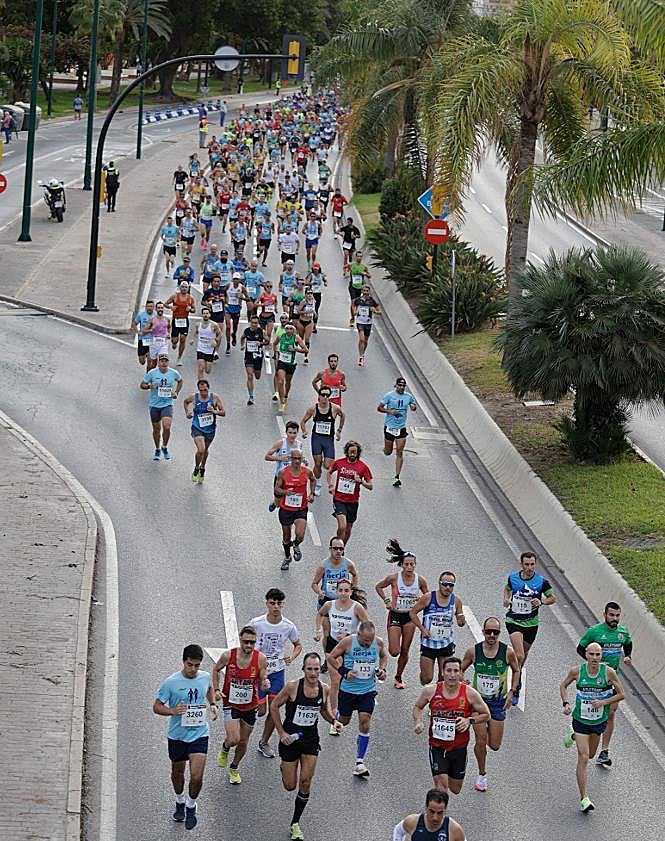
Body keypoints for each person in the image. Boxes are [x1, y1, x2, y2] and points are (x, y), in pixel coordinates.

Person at [270, 652, 342, 841]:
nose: (313, 673)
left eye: (316, 669)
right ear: (303, 669)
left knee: (305, 783)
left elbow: (324, 711)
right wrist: (281, 733)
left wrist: (334, 721)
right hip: (290, 741)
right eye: (309, 669)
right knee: (289, 785)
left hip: (310, 740)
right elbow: (274, 706)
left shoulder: (324, 689)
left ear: (320, 670)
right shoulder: (293, 687)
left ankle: (295, 823)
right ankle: (284, 766)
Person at [153, 644, 217, 830]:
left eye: (197, 665)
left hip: (199, 733)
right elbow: (156, 706)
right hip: (178, 736)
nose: (193, 669)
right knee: (177, 774)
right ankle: (179, 800)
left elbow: (209, 688)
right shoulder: (171, 683)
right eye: (190, 665)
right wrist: (172, 711)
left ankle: (191, 805)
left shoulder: (204, 677)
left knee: (197, 776)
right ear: (183, 661)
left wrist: (212, 703)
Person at [560, 642, 625, 813]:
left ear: (601, 656)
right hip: (580, 720)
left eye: (598, 655)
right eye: (592, 654)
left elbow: (622, 694)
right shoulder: (577, 671)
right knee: (583, 756)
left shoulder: (608, 673)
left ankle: (573, 736)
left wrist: (604, 702)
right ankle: (584, 798)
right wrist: (566, 703)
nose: (595, 658)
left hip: (598, 721)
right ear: (586, 655)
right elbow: (563, 685)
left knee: (591, 754)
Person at [413, 657, 490, 795]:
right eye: (449, 670)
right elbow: (418, 707)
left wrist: (469, 721)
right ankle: (438, 812)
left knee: (455, 789)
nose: (452, 675)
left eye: (456, 671)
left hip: (458, 748)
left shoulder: (470, 693)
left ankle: (446, 772)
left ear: (461, 673)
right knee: (441, 787)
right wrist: (418, 721)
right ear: (442, 672)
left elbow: (486, 714)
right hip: (437, 746)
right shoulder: (430, 691)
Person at [460, 617, 520, 792]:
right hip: (478, 703)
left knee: (494, 745)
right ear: (483, 632)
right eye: (488, 632)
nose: (492, 635)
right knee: (480, 741)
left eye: (496, 632)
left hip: (497, 703)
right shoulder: (474, 652)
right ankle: (482, 774)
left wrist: (512, 692)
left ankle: (485, 735)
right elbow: (461, 669)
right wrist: (464, 683)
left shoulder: (507, 652)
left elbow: (516, 670)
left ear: (499, 634)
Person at [327, 621, 387, 777]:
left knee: (365, 721)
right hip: (348, 690)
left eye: (370, 640)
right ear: (358, 635)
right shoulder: (348, 642)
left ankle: (359, 762)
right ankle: (334, 719)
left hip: (368, 691)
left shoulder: (378, 642)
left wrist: (382, 670)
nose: (368, 643)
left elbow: (384, 656)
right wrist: (344, 671)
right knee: (343, 721)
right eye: (365, 640)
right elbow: (331, 657)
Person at [577, 601, 632, 767]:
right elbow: (580, 648)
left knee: (611, 713)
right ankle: (578, 730)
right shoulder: (594, 631)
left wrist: (628, 655)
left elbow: (628, 644)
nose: (614, 619)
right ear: (605, 615)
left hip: (612, 678)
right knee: (593, 709)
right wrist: (594, 664)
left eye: (617, 615)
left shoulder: (622, 632)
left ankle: (604, 751)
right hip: (594, 678)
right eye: (611, 615)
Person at [212, 626, 270, 785]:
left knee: (243, 741)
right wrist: (216, 690)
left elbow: (263, 676)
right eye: (246, 642)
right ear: (240, 640)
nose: (249, 646)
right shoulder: (228, 656)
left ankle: (234, 767)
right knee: (234, 738)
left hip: (250, 706)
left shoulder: (260, 659)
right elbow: (216, 670)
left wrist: (265, 683)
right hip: (231, 704)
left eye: (252, 642)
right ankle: (225, 747)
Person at [250, 589, 303, 759]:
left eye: (279, 604)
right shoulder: (256, 623)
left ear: (283, 605)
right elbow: (245, 642)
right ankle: (243, 726)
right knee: (260, 710)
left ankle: (263, 742)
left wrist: (292, 657)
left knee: (274, 710)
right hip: (258, 673)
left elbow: (298, 645)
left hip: (277, 672)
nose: (276, 607)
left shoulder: (288, 626)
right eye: (272, 603)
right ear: (267, 603)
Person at [503, 550, 556, 706]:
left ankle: (517, 681)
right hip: (514, 620)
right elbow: (507, 589)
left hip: (531, 624)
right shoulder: (513, 578)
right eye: (526, 564)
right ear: (521, 564)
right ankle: (513, 687)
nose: (529, 567)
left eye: (532, 564)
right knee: (518, 655)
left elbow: (553, 597)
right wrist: (506, 599)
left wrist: (542, 602)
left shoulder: (541, 582)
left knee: (523, 656)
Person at [374, 539, 428, 689]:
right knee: (394, 651)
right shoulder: (394, 578)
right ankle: (383, 655)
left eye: (412, 564)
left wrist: (420, 600)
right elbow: (378, 587)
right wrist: (386, 600)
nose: (409, 567)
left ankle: (398, 676)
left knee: (405, 650)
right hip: (396, 615)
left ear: (415, 565)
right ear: (402, 565)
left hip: (410, 617)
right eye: (407, 564)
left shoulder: (420, 580)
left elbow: (428, 597)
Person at [315, 578, 368, 723]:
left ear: (351, 592)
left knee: (351, 678)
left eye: (346, 590)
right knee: (336, 680)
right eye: (340, 590)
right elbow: (319, 614)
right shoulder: (329, 605)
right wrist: (319, 630)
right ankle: (335, 717)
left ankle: (358, 701)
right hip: (333, 646)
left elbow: (367, 627)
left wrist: (350, 635)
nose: (343, 593)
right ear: (336, 591)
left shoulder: (357, 607)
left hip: (351, 646)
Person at [409, 572, 466, 685]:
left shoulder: (456, 601)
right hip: (429, 644)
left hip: (446, 644)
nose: (447, 587)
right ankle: (423, 676)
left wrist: (461, 620)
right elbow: (413, 613)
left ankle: (439, 700)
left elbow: (460, 622)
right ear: (439, 584)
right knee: (427, 678)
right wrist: (422, 629)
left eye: (451, 585)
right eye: (445, 584)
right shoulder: (428, 597)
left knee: (444, 677)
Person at [275, 450, 316, 570]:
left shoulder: (307, 472)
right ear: (291, 459)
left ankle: (296, 545)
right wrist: (285, 492)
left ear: (302, 459)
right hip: (286, 509)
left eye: (299, 458)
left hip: (300, 509)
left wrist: (312, 494)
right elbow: (277, 489)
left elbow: (313, 480)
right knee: (286, 537)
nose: (297, 461)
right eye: (295, 459)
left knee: (300, 534)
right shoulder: (283, 473)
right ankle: (287, 557)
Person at [300, 386, 345, 496]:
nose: (325, 397)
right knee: (318, 463)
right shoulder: (313, 409)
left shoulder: (335, 408)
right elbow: (303, 421)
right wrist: (304, 431)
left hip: (328, 439)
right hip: (317, 438)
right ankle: (318, 483)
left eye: (327, 395)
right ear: (319, 396)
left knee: (327, 465)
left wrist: (339, 430)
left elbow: (343, 416)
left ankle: (321, 475)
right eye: (323, 395)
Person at [327, 441, 373, 545]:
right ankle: (337, 546)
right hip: (339, 499)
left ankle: (342, 547)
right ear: (346, 452)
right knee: (342, 526)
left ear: (358, 453)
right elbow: (329, 472)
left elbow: (371, 486)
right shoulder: (339, 463)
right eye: (350, 452)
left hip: (353, 502)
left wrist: (361, 481)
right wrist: (331, 485)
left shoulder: (363, 467)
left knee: (348, 529)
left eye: (355, 452)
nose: (352, 454)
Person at [139, 352, 182, 460]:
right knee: (156, 429)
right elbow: (142, 385)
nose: (163, 363)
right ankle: (157, 449)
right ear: (158, 362)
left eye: (165, 361)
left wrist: (176, 392)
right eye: (161, 361)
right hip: (154, 405)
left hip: (167, 404)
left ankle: (164, 446)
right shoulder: (152, 373)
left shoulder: (173, 373)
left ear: (168, 362)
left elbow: (180, 381)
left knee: (167, 426)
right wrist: (149, 385)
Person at [183, 379, 225, 483]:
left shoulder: (215, 398)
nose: (203, 392)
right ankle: (196, 468)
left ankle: (202, 468)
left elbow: (223, 412)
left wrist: (214, 411)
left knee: (205, 450)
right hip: (197, 427)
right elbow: (185, 402)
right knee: (201, 450)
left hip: (210, 429)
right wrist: (187, 412)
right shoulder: (194, 397)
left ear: (208, 388)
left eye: (205, 390)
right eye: (201, 390)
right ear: (198, 390)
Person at [378, 376, 418, 487]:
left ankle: (397, 477)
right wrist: (389, 411)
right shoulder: (389, 396)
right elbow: (379, 408)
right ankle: (386, 449)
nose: (401, 387)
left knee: (400, 452)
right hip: (390, 427)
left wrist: (413, 407)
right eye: (399, 385)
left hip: (401, 428)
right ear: (395, 385)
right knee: (388, 452)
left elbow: (413, 405)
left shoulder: (408, 396)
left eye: (403, 386)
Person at [392, 789, 466, 841]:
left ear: (445, 808)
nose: (435, 818)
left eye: (440, 813)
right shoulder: (413, 822)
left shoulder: (454, 830)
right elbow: (398, 830)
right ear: (426, 806)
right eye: (432, 811)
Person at [274, 322, 308, 414]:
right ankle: (282, 401)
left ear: (293, 330)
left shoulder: (296, 338)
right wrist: (276, 354)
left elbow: (306, 350)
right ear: (285, 329)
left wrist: (295, 349)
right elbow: (274, 344)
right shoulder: (281, 336)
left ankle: (286, 395)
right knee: (280, 381)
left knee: (288, 382)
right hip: (282, 362)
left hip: (291, 363)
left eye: (291, 329)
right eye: (287, 329)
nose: (289, 331)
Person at [165, 281, 196, 366]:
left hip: (184, 321)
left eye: (186, 287)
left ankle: (179, 358)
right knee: (174, 340)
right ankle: (174, 343)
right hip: (176, 320)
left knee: (183, 339)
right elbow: (165, 304)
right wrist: (171, 307)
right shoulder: (175, 296)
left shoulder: (190, 298)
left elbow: (194, 310)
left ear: (188, 288)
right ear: (180, 287)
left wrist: (190, 309)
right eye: (182, 287)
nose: (184, 288)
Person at [240, 313, 268, 405]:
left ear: (258, 323)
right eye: (252, 323)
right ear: (250, 323)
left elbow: (267, 341)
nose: (254, 324)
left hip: (258, 356)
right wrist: (242, 345)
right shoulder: (246, 331)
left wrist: (261, 343)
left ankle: (258, 371)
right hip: (248, 356)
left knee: (257, 376)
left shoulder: (261, 331)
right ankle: (251, 397)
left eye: (256, 323)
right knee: (249, 376)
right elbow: (242, 338)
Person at [352, 285, 382, 366]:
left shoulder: (372, 301)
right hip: (360, 322)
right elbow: (353, 304)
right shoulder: (358, 300)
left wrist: (375, 311)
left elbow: (380, 311)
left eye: (367, 291)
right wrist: (354, 312)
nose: (365, 292)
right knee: (361, 339)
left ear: (369, 292)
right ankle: (361, 357)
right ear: (362, 291)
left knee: (365, 341)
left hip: (368, 323)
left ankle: (362, 354)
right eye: (364, 291)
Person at [190, 305, 223, 377]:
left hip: (210, 349)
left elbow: (220, 334)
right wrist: (192, 339)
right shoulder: (198, 324)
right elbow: (196, 332)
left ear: (210, 315)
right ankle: (200, 384)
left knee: (207, 371)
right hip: (200, 348)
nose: (205, 315)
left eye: (207, 313)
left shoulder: (214, 325)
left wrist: (216, 341)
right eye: (204, 313)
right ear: (202, 315)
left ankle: (206, 362)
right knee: (200, 368)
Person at [346, 249, 370, 323]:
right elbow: (345, 267)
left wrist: (365, 274)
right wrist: (346, 273)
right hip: (352, 286)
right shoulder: (351, 265)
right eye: (358, 256)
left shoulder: (364, 267)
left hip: (360, 288)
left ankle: (354, 315)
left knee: (356, 302)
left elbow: (369, 276)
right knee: (353, 301)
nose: (359, 258)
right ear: (355, 257)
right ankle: (353, 318)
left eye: (360, 257)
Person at [133, 299, 154, 369]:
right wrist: (138, 332)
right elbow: (134, 324)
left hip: (152, 340)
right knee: (142, 362)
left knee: (150, 360)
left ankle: (148, 376)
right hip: (142, 340)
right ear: (146, 307)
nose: (150, 308)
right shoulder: (141, 315)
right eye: (148, 306)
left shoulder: (156, 315)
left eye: (151, 306)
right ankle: (144, 355)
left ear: (153, 307)